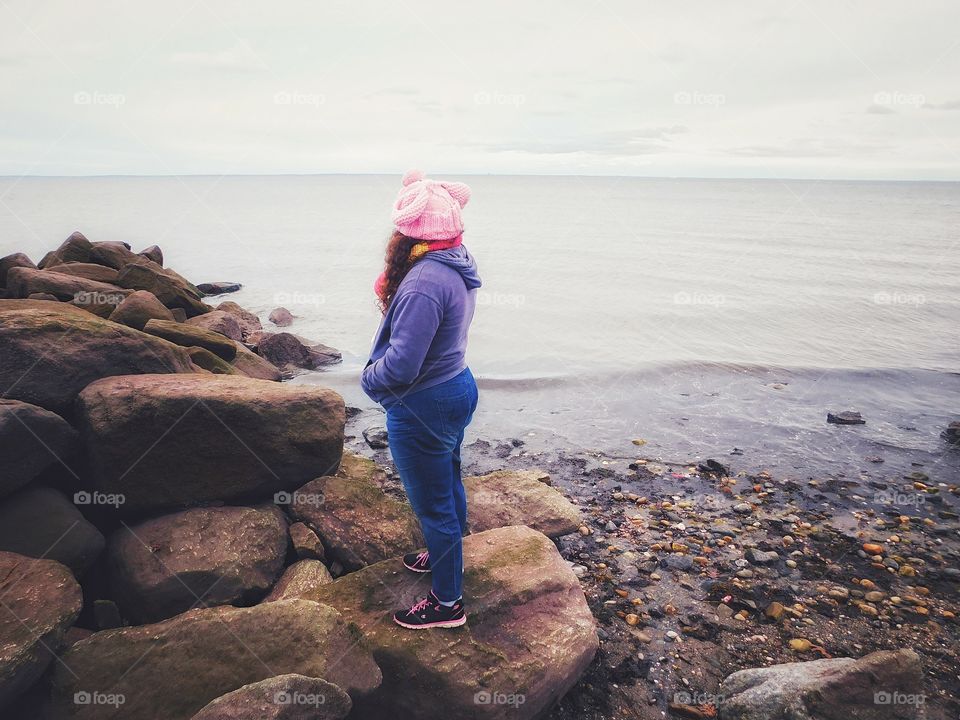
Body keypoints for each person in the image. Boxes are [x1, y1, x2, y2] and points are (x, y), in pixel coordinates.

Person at [361, 170, 481, 629]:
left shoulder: (423, 282)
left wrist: (368, 380)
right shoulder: (456, 259)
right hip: (455, 385)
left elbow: (402, 366)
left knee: (434, 503)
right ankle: (444, 554)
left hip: (424, 402)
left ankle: (448, 605)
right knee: (447, 480)